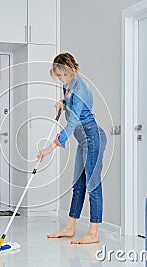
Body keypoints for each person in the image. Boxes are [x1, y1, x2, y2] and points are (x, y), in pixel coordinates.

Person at [36, 53, 107, 244]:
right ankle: (70, 227)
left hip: (93, 138)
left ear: (70, 70)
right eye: (58, 76)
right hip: (84, 141)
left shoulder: (81, 88)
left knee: (92, 184)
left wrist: (51, 146)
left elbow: (73, 121)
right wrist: (62, 102)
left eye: (62, 75)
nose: (60, 79)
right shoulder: (68, 84)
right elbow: (69, 101)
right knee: (78, 184)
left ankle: (94, 232)